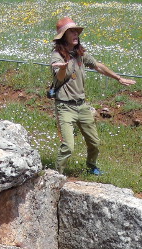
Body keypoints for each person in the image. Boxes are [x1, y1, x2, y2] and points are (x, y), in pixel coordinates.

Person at [50, 17, 135, 175]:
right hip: (65, 107)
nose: (76, 34)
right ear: (63, 36)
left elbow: (98, 66)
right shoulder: (57, 56)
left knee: (94, 142)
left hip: (82, 106)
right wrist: (63, 67)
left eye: (76, 31)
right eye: (71, 32)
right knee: (68, 146)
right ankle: (57, 175)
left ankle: (91, 166)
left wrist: (118, 78)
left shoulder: (79, 53)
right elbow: (60, 78)